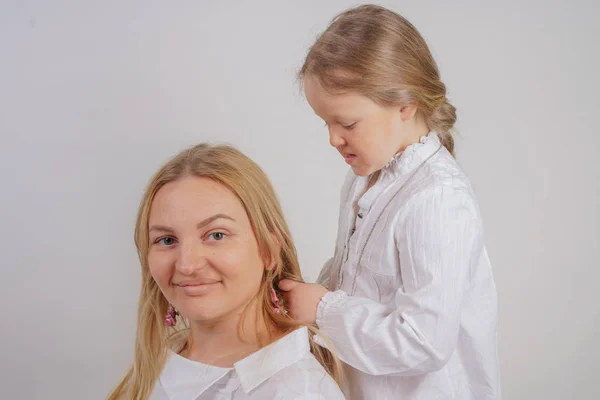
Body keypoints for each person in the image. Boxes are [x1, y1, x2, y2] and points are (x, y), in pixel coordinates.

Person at [279, 5, 501, 399]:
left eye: (346, 123)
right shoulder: (364, 177)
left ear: (405, 105)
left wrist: (323, 310)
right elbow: (356, 273)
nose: (333, 138)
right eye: (325, 123)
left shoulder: (436, 200)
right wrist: (309, 294)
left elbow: (424, 342)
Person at [108, 144, 344, 400]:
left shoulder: (297, 391)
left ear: (268, 251)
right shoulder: (157, 368)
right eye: (166, 240)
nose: (187, 265)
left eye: (216, 235)